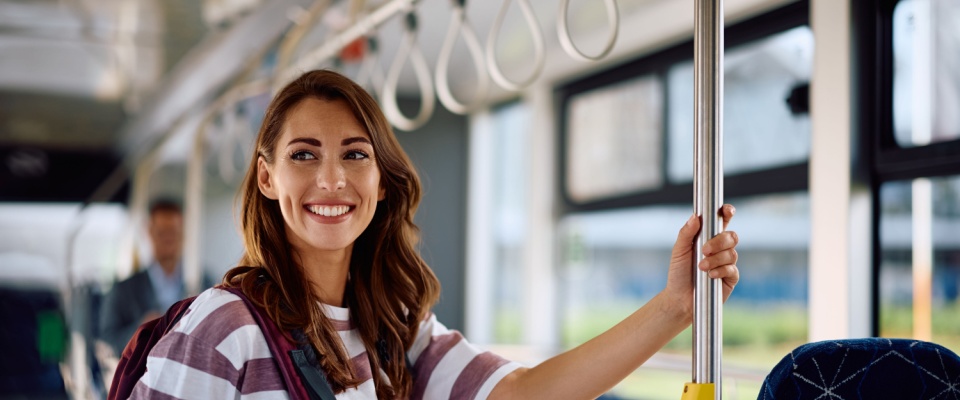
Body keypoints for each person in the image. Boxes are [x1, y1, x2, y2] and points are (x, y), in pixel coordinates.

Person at [130, 70, 740, 399]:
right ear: (267, 177)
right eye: (305, 155)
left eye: (355, 154)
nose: (333, 179)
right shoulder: (224, 327)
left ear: (382, 181)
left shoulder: (394, 331)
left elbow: (525, 395)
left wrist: (674, 309)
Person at [98, 199, 212, 356]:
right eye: (162, 233)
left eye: (173, 232)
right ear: (149, 232)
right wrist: (141, 330)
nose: (168, 240)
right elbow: (107, 342)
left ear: (183, 234)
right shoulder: (123, 290)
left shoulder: (205, 286)